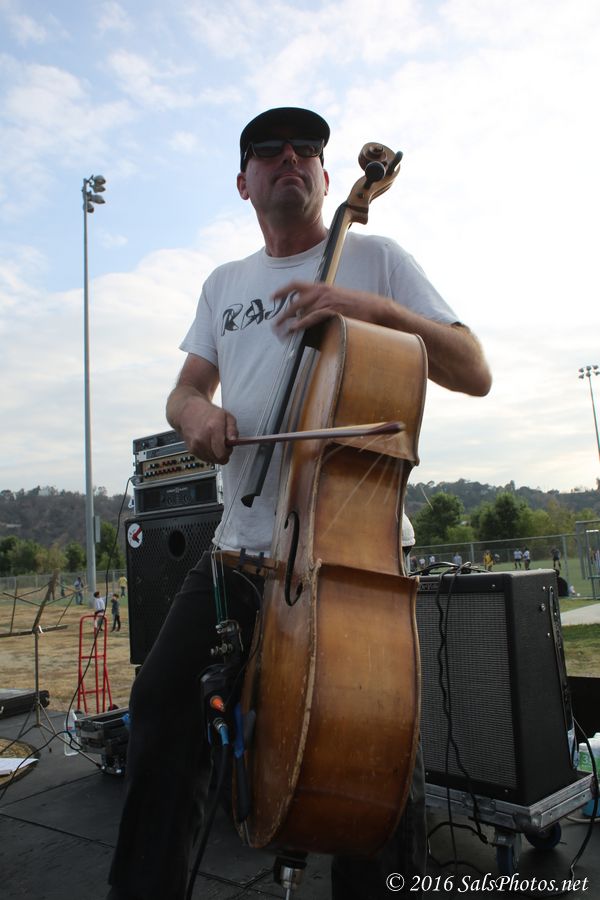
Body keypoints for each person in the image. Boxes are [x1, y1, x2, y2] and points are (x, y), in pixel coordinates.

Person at [106, 106, 491, 900]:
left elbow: (472, 368)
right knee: (160, 713)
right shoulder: (224, 284)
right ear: (243, 182)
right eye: (268, 150)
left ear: (325, 175)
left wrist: (369, 310)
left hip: (349, 557)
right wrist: (197, 416)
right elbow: (183, 391)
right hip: (239, 550)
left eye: (306, 148)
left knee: (373, 756)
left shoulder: (377, 258)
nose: (291, 156)